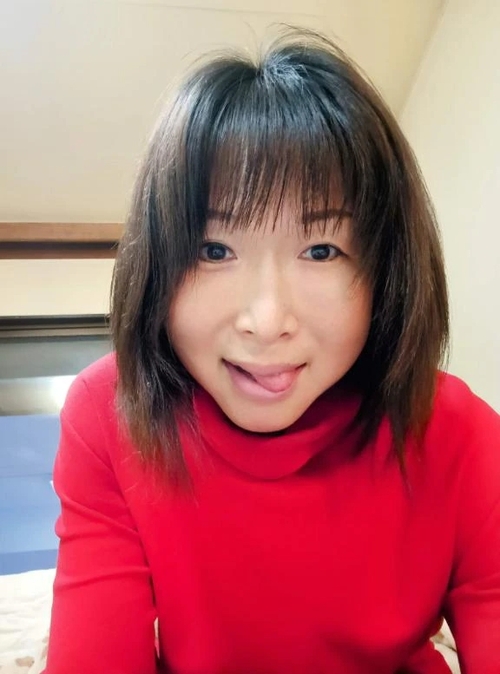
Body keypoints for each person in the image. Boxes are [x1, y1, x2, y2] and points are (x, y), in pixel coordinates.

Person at [44, 28, 500, 674]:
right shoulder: (108, 414)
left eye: (321, 250)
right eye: (214, 250)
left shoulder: (459, 433)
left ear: (386, 269)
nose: (266, 321)